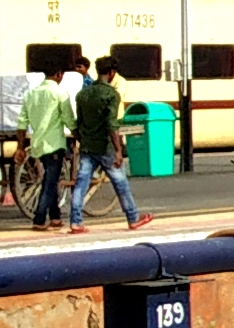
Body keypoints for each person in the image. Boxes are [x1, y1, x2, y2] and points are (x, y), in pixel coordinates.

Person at [68, 56, 153, 233]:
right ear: (112, 73)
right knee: (120, 182)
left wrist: (83, 140)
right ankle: (132, 217)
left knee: (81, 183)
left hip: (87, 147)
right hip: (105, 147)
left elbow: (79, 122)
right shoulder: (110, 94)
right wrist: (118, 149)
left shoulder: (82, 94)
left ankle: (75, 221)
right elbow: (112, 124)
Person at [20, 59, 73, 231]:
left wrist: (20, 147)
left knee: (51, 179)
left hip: (38, 144)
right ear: (59, 75)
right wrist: (77, 131)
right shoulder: (60, 92)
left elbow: (21, 123)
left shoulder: (31, 94)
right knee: (50, 183)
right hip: (54, 144)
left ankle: (55, 217)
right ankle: (40, 217)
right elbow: (68, 119)